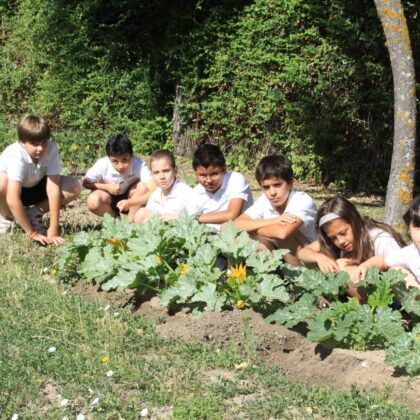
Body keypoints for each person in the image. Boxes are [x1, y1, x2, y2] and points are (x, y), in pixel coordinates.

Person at [297, 196, 405, 300]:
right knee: (319, 260)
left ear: (355, 221)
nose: (340, 241)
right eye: (333, 238)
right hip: (368, 289)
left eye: (343, 233)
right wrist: (320, 258)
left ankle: (362, 308)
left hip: (388, 297)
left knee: (341, 266)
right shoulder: (341, 239)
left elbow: (401, 272)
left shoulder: (380, 239)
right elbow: (302, 253)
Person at [0, 115, 81, 245]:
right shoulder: (16, 155)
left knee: (73, 186)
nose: (40, 148)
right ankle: (7, 216)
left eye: (44, 142)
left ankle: (34, 213)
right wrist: (31, 233)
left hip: (36, 186)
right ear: (22, 143)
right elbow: (12, 198)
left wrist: (53, 228)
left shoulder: (51, 149)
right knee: (1, 184)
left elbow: (53, 187)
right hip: (12, 191)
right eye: (34, 144)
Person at [234, 154, 317, 266]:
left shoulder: (302, 200)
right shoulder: (265, 200)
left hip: (309, 256)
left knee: (283, 235)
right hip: (281, 252)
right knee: (239, 237)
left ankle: (297, 279)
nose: (272, 192)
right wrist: (273, 221)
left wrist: (253, 228)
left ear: (291, 183)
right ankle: (267, 273)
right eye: (266, 187)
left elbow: (282, 233)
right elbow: (236, 224)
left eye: (277, 185)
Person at [352, 194, 420, 289]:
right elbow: (383, 261)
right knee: (396, 270)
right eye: (418, 227)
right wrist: (365, 266)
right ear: (409, 228)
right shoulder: (410, 253)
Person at [83, 134, 156, 221]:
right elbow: (85, 183)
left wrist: (130, 202)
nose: (120, 166)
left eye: (125, 160)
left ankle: (131, 222)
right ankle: (114, 219)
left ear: (131, 155)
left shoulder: (139, 164)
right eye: (115, 161)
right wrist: (106, 187)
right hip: (108, 198)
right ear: (108, 158)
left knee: (142, 186)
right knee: (93, 201)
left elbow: (154, 191)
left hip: (132, 199)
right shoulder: (102, 164)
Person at [186, 143, 253, 231]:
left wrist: (197, 217)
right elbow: (190, 223)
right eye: (203, 175)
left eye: (214, 174)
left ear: (224, 169)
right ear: (195, 173)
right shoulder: (195, 193)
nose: (209, 180)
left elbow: (232, 215)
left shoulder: (235, 179)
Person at [134, 149, 192, 223]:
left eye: (166, 171)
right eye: (156, 172)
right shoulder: (156, 194)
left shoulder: (186, 193)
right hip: (159, 232)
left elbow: (196, 219)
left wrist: (176, 218)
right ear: (151, 174)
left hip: (180, 231)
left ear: (175, 171)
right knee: (141, 214)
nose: (161, 177)